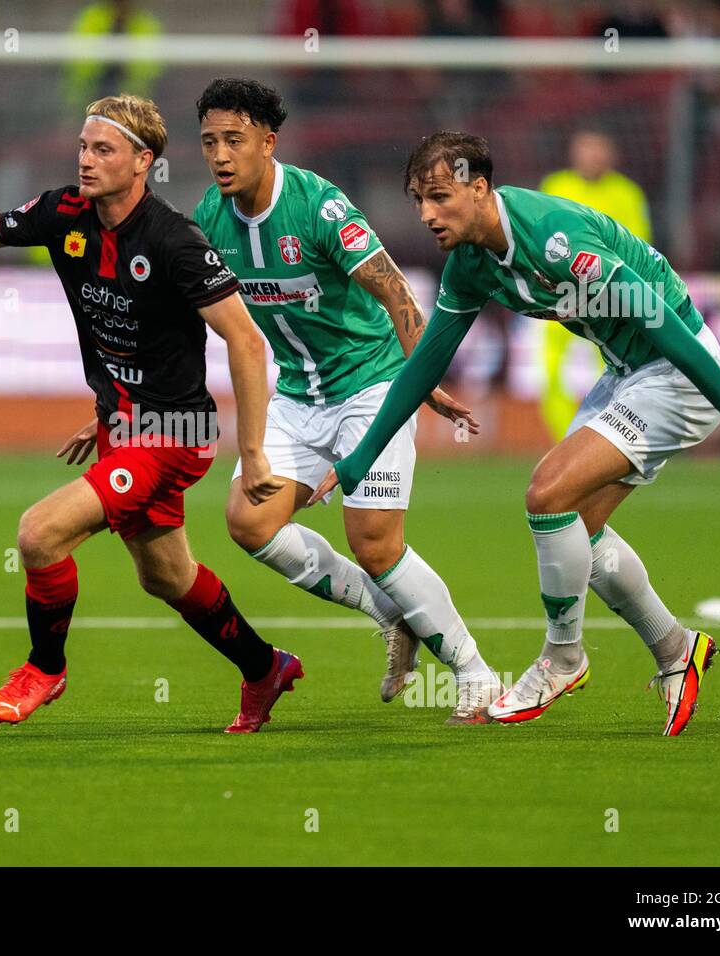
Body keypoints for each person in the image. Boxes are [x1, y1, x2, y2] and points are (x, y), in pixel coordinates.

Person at [0, 94, 304, 734]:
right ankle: (265, 667)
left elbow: (245, 339)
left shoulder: (175, 241)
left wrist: (254, 451)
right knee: (167, 576)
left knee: (39, 534)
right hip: (119, 428)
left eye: (104, 150)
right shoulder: (62, 212)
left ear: (143, 162)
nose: (86, 160)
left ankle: (45, 669)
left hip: (174, 436)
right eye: (83, 146)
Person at [310, 131, 720, 736]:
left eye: (439, 196)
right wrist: (362, 456)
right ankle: (676, 649)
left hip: (675, 371)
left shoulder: (555, 241)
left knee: (546, 494)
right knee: (577, 530)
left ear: (480, 186)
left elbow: (662, 322)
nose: (427, 214)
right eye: (417, 200)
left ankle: (563, 657)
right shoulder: (470, 263)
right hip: (626, 373)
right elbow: (428, 361)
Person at [191, 78, 501, 723]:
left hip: (371, 386)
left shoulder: (319, 207)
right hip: (298, 396)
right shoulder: (209, 218)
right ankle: (389, 611)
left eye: (234, 141)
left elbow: (395, 293)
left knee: (376, 544)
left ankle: (476, 675)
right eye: (209, 142)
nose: (220, 155)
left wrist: (423, 376)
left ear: (268, 143)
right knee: (249, 524)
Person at [537, 130, 653, 439]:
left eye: (597, 151)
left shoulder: (626, 194)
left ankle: (603, 438)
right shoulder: (556, 186)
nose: (591, 158)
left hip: (606, 298)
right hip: (559, 295)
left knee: (609, 372)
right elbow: (536, 238)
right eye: (585, 150)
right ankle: (565, 440)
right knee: (550, 373)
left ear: (610, 156)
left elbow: (639, 247)